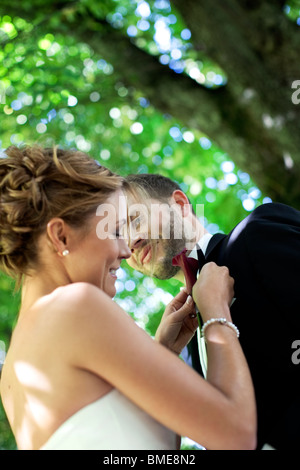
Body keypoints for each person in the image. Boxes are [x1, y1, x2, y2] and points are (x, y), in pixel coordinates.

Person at [0, 145, 256, 451]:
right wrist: (215, 314)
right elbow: (237, 435)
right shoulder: (74, 305)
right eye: (114, 231)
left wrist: (163, 352)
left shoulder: (13, 375)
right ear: (61, 237)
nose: (125, 250)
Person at [126, 172, 300, 450]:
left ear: (180, 204)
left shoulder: (255, 234)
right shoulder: (190, 345)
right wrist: (163, 357)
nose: (130, 243)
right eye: (118, 237)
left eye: (135, 220)